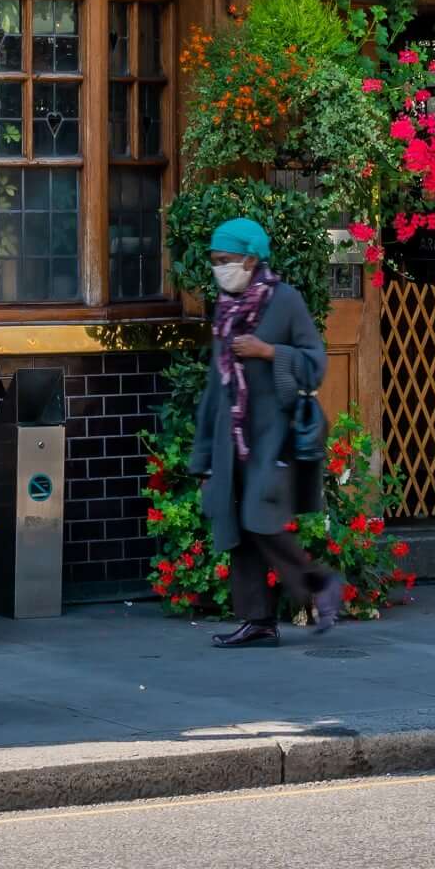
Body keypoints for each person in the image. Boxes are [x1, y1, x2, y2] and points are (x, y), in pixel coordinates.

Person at [191, 216, 331, 646]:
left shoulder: (284, 301)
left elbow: (315, 363)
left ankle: (317, 585)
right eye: (215, 261)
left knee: (260, 517)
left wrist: (268, 351)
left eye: (226, 260)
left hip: (274, 438)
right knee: (238, 526)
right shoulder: (225, 309)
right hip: (232, 440)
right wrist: (203, 455)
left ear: (252, 259)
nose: (220, 268)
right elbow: (217, 384)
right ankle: (257, 621)